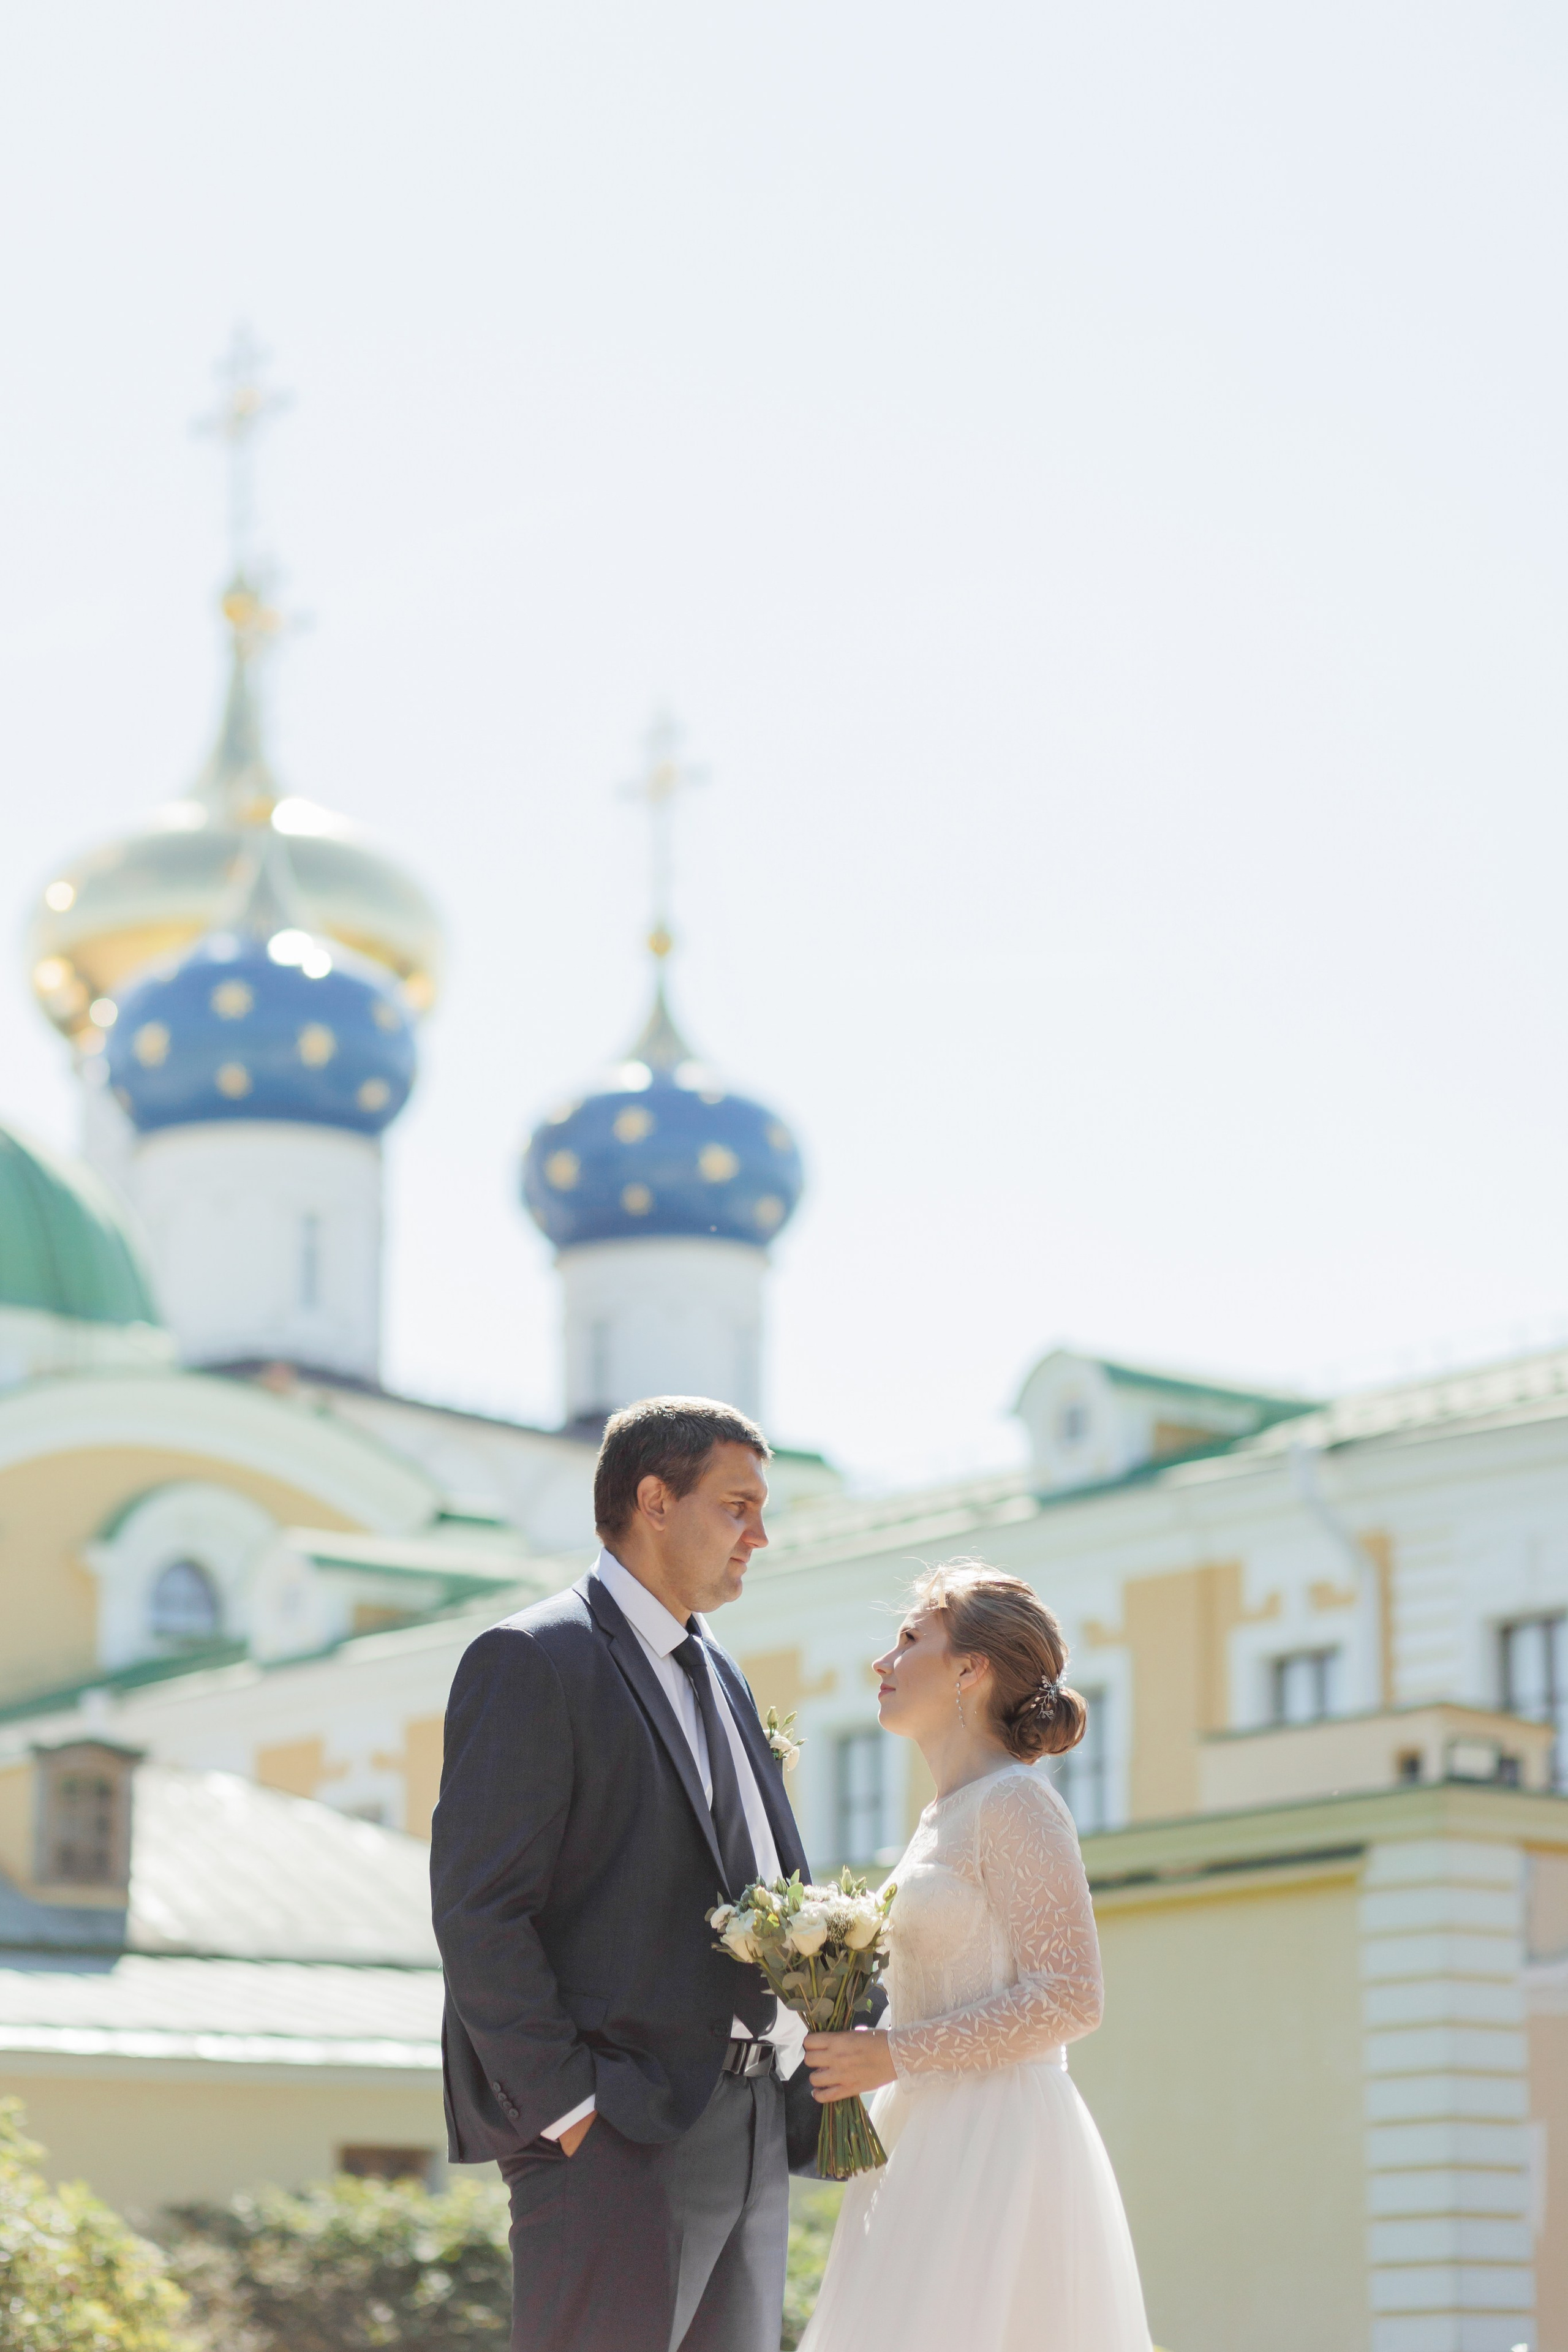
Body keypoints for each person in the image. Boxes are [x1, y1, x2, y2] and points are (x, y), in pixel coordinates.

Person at [430, 1395, 814, 2352]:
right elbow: (480, 1912)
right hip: (618, 2136)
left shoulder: (721, 1670)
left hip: (753, 2121)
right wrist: (571, 2111)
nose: (759, 1536)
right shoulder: (532, 1659)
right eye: (737, 1506)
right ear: (654, 1497)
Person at [799, 1559, 1153, 2352]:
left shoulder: (1018, 1804)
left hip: (998, 2145)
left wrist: (894, 2054)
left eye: (908, 1639)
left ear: (969, 1667)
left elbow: (1071, 1997)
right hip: (919, 2138)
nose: (882, 1664)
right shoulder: (941, 1816)